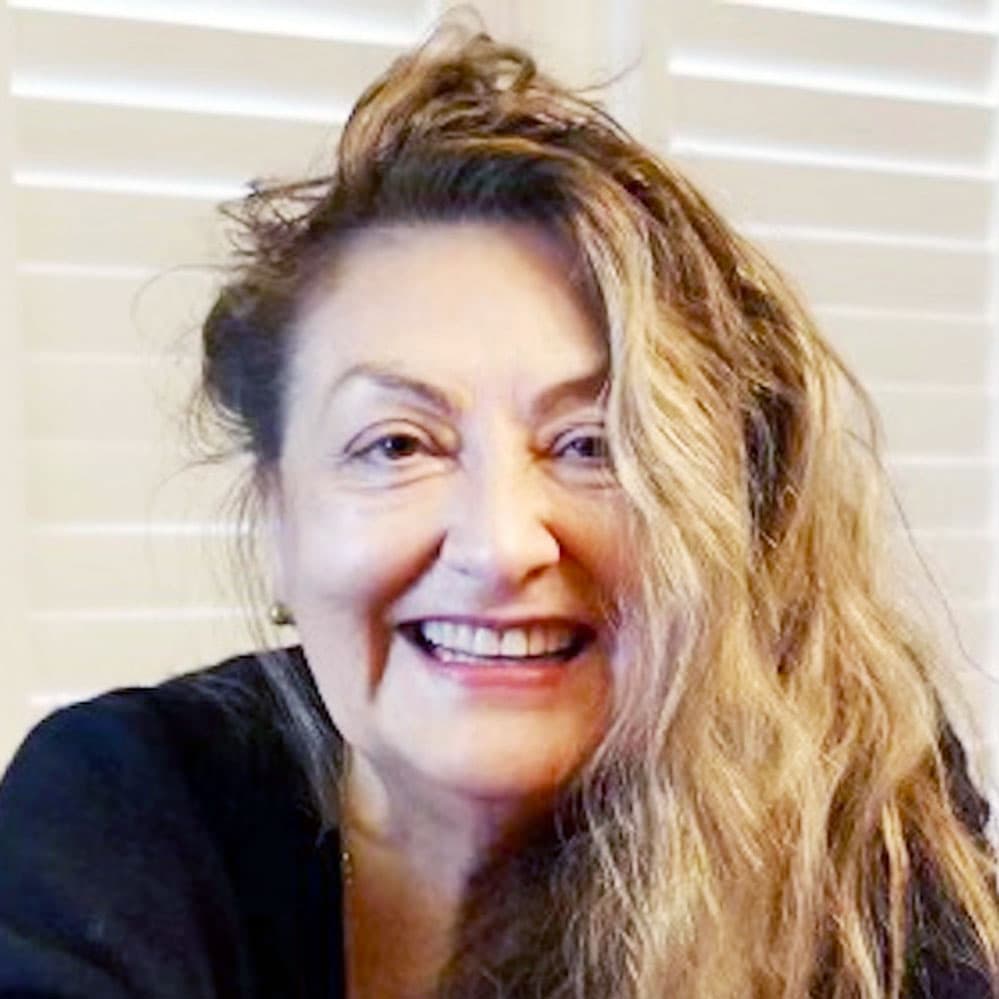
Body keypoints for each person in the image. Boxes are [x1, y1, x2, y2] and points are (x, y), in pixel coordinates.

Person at [1, 22, 997, 999]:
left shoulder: (857, 804)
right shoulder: (127, 806)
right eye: (397, 445)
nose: (501, 545)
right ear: (277, 518)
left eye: (593, 445)